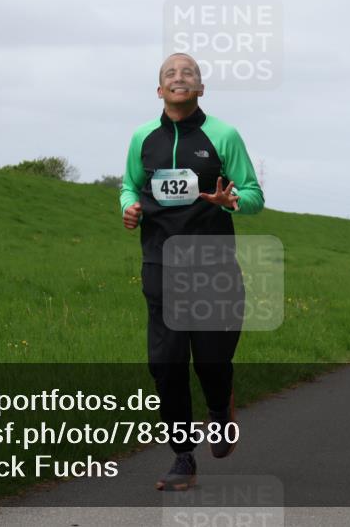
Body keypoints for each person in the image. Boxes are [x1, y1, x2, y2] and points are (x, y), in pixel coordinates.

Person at [120, 53, 264, 491]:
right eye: (170, 73)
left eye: (188, 73)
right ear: (159, 90)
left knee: (211, 359)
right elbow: (129, 184)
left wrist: (232, 200)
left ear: (200, 89)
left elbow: (255, 195)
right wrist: (127, 207)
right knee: (165, 364)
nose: (179, 77)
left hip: (212, 267)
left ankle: (220, 408)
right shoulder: (142, 138)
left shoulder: (223, 135)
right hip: (160, 265)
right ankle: (183, 456)